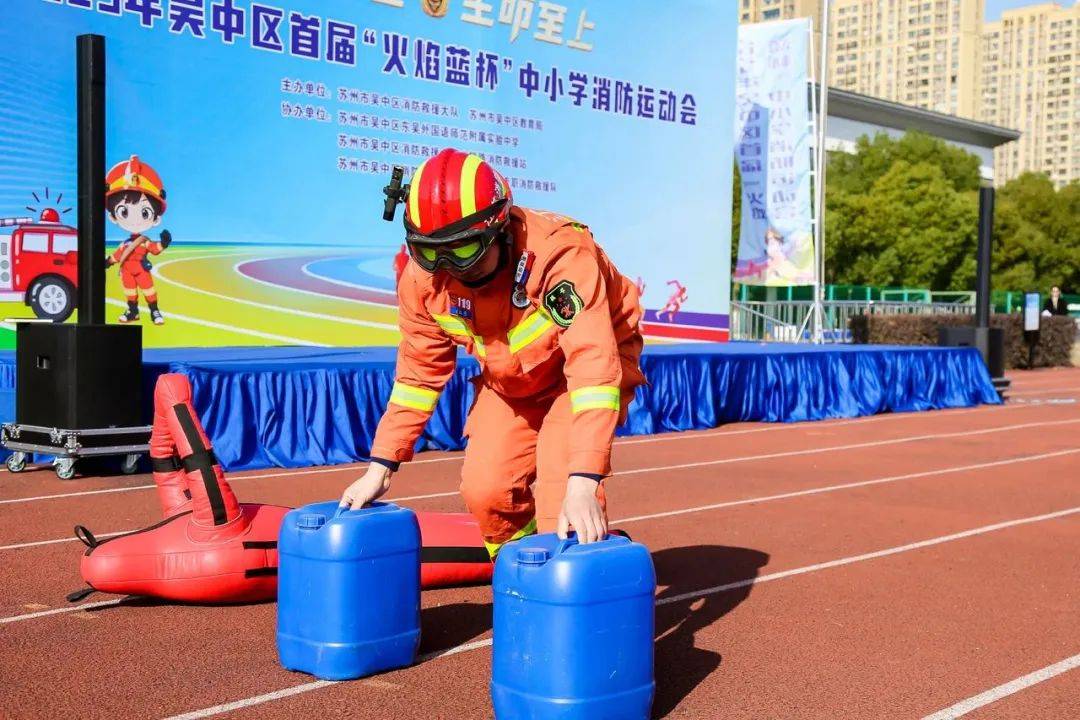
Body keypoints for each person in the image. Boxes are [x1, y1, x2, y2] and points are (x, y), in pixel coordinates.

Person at [340, 148, 645, 554]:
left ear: (500, 231)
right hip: (511, 380)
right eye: (431, 252)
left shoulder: (559, 256)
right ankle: (523, 575)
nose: (451, 268)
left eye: (465, 252)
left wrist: (585, 480)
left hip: (585, 368)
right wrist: (381, 465)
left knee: (562, 492)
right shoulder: (424, 281)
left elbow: (592, 364)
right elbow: (417, 377)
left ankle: (574, 568)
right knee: (487, 492)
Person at [104, 155, 172, 325]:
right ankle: (132, 311)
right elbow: (117, 256)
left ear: (155, 219)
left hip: (142, 270)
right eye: (124, 212)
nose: (134, 219)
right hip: (126, 271)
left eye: (144, 213)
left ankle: (154, 311)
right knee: (130, 292)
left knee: (148, 290)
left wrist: (163, 243)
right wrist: (107, 262)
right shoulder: (125, 244)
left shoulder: (143, 241)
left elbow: (154, 249)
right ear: (113, 216)